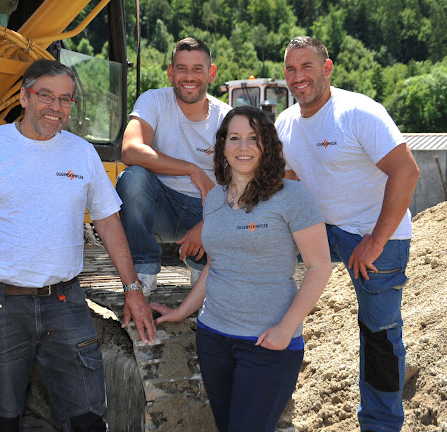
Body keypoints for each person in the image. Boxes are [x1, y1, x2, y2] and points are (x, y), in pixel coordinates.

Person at [0, 59, 156, 432]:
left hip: (65, 305)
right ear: (24, 96)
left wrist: (132, 289)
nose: (56, 108)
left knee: (87, 420)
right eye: (46, 96)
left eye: (66, 100)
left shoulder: (81, 153)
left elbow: (108, 222)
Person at [151, 106, 332, 432]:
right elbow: (216, 265)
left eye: (253, 138)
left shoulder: (293, 196)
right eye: (234, 138)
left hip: (269, 343)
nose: (243, 146)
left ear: (268, 146)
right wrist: (183, 312)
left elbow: (320, 267)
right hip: (214, 339)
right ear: (222, 146)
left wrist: (285, 328)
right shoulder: (214, 199)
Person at [275, 36, 420, 432]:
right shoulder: (285, 124)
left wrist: (374, 242)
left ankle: (381, 425)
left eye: (307, 67)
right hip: (323, 230)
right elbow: (289, 184)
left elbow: (406, 172)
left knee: (379, 332)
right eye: (291, 68)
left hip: (378, 235)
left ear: (327, 68)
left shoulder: (357, 112)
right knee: (267, 276)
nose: (298, 76)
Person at [115, 37, 232, 295]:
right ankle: (143, 269)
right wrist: (192, 169)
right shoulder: (153, 101)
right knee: (131, 179)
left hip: (203, 211)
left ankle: (203, 264)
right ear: (170, 73)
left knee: (234, 204)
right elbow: (131, 150)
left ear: (211, 73)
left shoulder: (227, 118)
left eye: (197, 69)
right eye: (181, 68)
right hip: (160, 207)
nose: (188, 76)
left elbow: (242, 184)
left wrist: (207, 225)